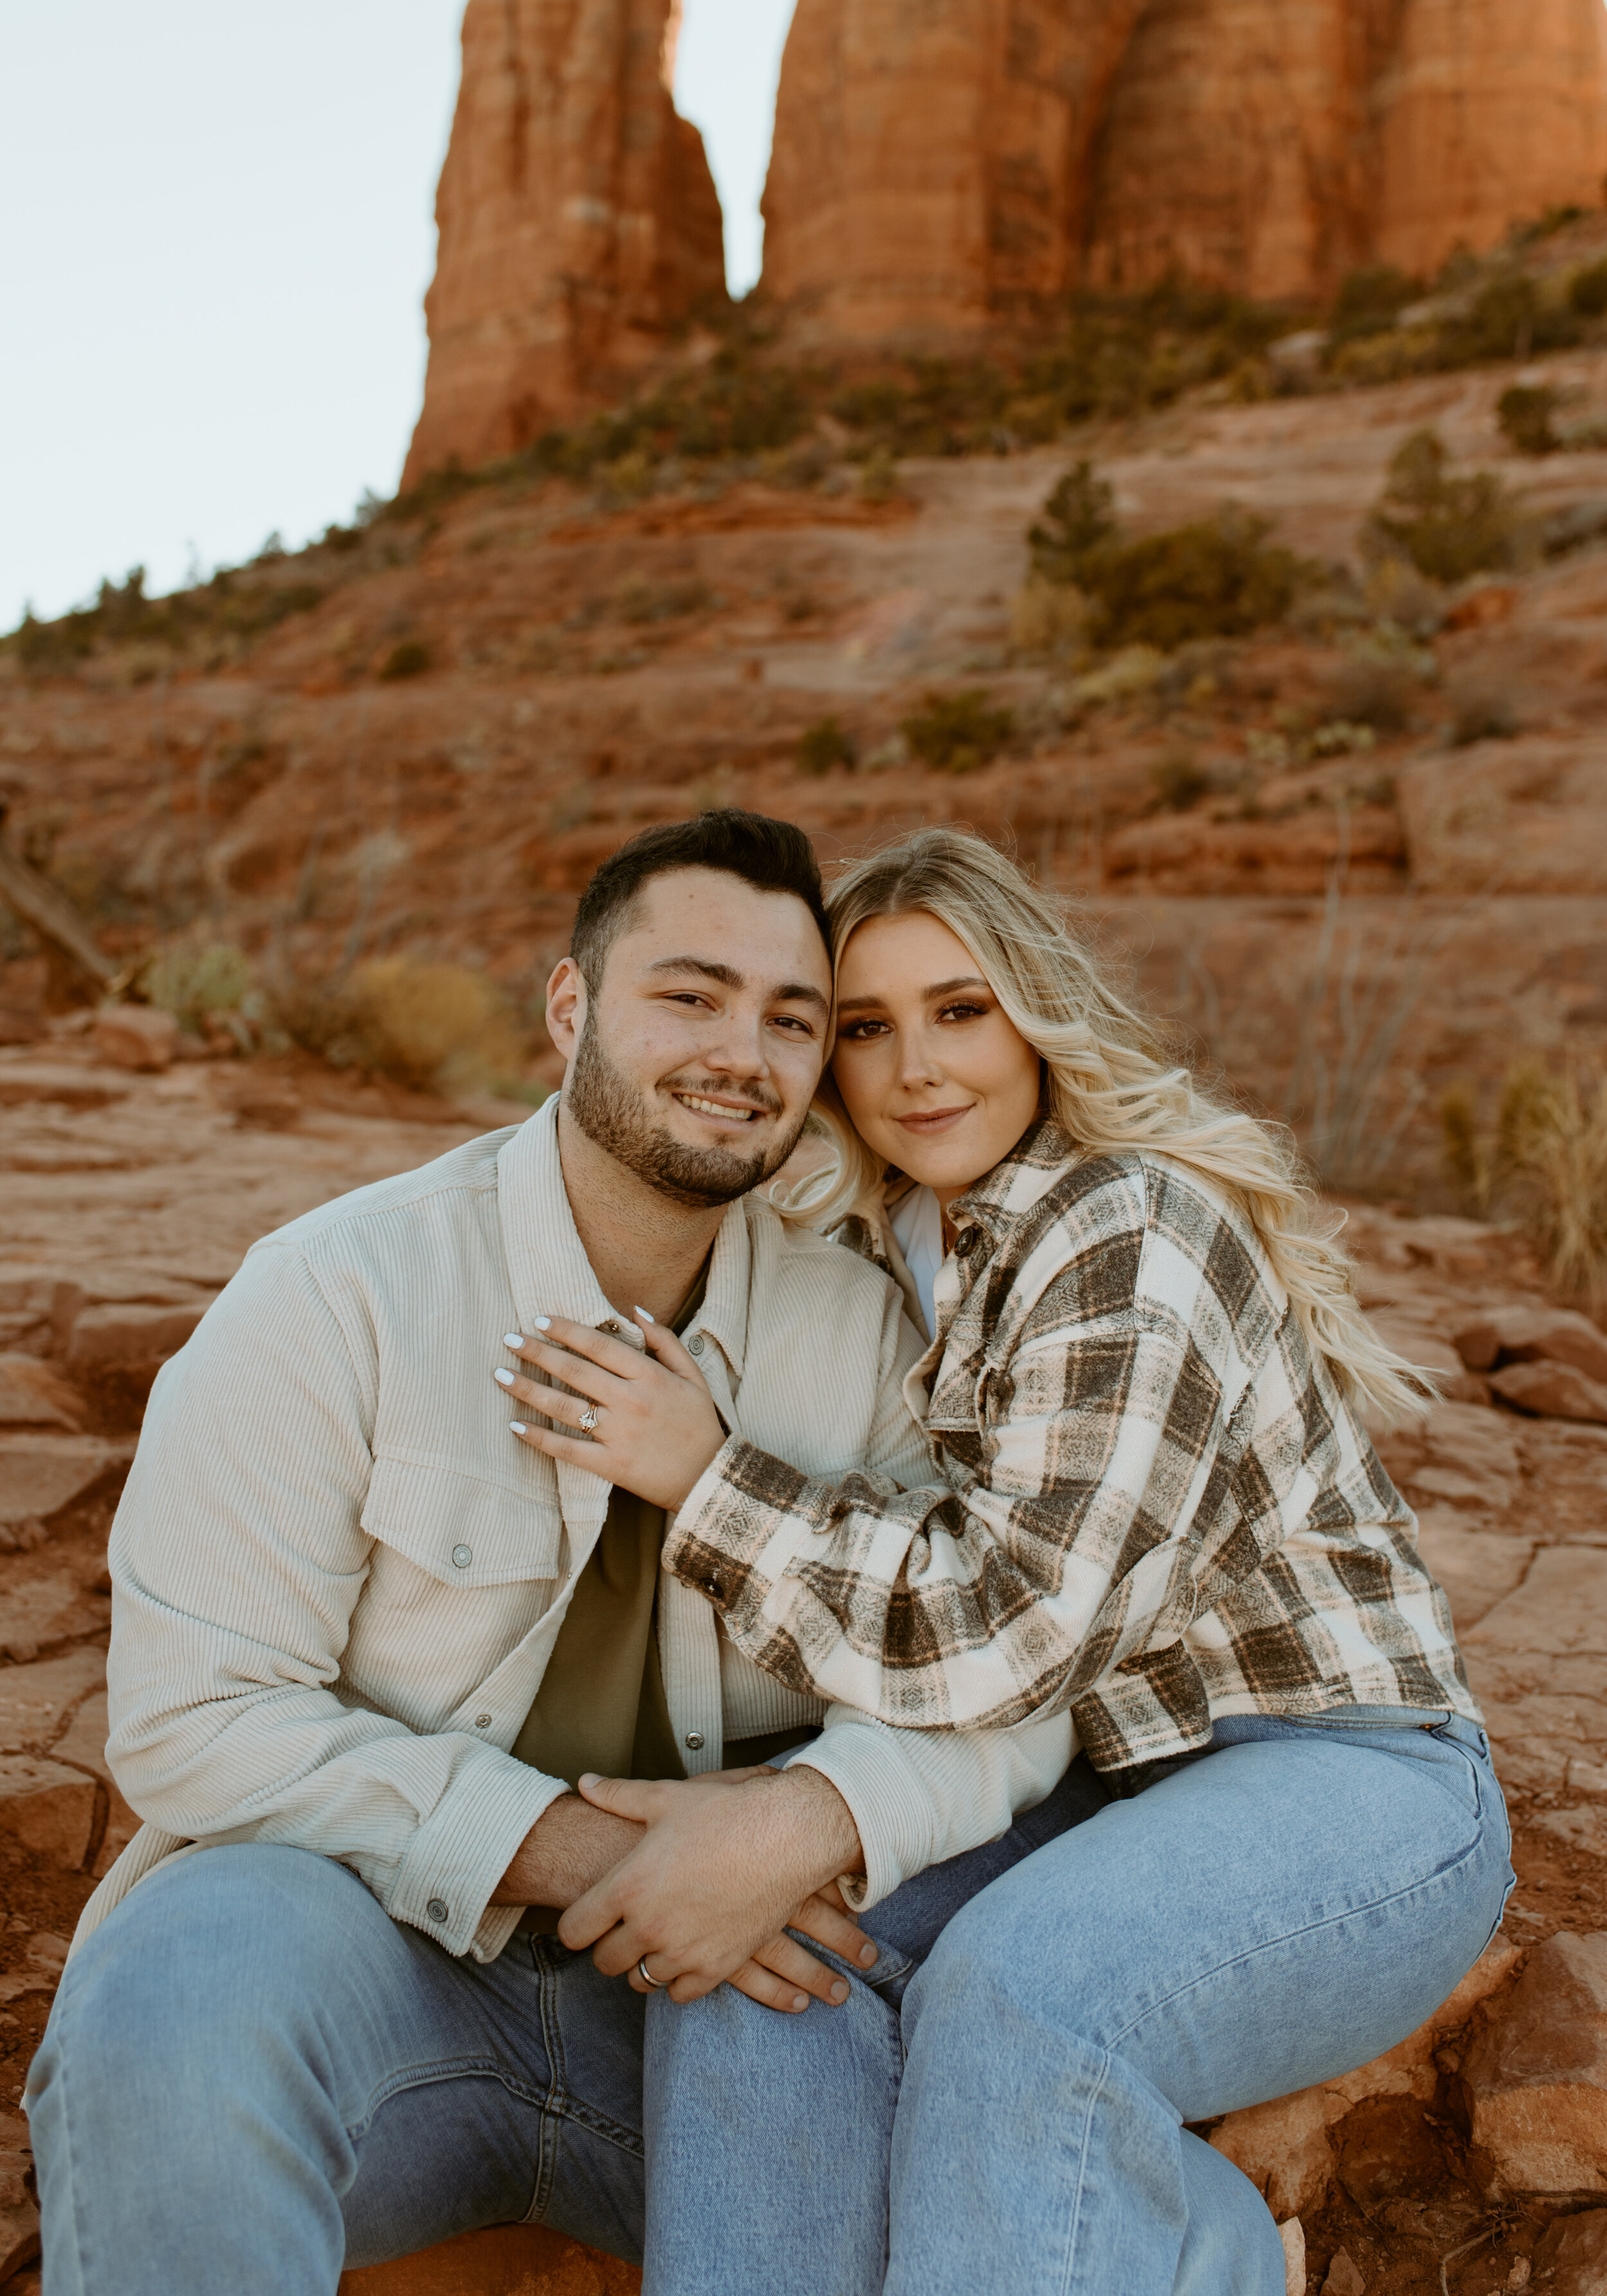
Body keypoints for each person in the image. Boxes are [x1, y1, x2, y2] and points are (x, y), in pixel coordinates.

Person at [26, 811, 1090, 2295]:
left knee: (985, 2167)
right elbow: (194, 1718)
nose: (743, 1051)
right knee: (176, 1986)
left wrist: (794, 1828)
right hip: (376, 1965)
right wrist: (599, 1853)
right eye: (689, 994)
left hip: (718, 2011)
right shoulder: (335, 1296)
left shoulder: (865, 1342)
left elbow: (1007, 1682)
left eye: (793, 1019)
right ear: (569, 1006)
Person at [514, 827, 1514, 2296]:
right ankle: (1182, 2247)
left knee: (1018, 1999)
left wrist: (705, 1476)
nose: (916, 1066)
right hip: (1098, 1786)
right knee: (758, 1957)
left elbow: (1006, 1632)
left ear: (1036, 1017)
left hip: (1342, 1777)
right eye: (864, 1027)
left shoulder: (1128, 1230)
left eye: (959, 1009)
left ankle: (1186, 2248)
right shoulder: (891, 1242)